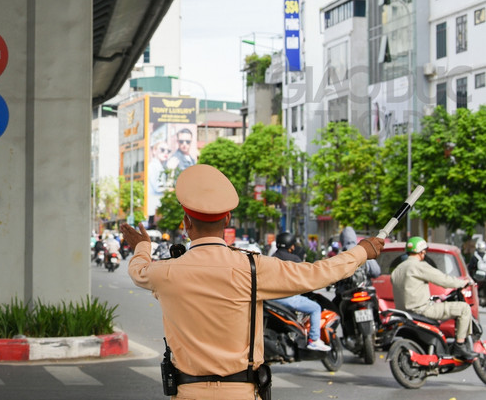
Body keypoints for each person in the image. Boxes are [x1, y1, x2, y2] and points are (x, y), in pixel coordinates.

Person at [121, 164, 384, 400]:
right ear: (227, 220)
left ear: (186, 223)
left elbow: (138, 269)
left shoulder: (166, 273)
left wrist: (143, 246)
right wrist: (362, 251)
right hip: (243, 392)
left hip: (187, 393)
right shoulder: (253, 267)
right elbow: (317, 273)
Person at [391, 236, 477, 360]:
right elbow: (442, 280)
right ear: (422, 252)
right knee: (464, 308)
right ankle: (459, 346)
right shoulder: (419, 266)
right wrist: (462, 283)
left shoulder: (397, 269)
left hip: (404, 312)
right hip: (422, 310)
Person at [270, 232, 330, 352]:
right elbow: (306, 277)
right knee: (315, 308)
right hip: (287, 298)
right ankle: (314, 340)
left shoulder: (271, 258)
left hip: (270, 299)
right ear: (291, 246)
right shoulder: (295, 259)